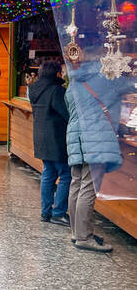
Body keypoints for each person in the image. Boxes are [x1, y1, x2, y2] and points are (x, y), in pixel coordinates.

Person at [65, 60, 130, 253]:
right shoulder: (104, 81)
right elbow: (129, 86)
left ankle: (77, 232)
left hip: (75, 137)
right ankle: (84, 236)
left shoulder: (74, 83)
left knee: (76, 184)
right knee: (88, 187)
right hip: (95, 138)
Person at [28, 62, 71, 226]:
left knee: (48, 174)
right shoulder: (56, 91)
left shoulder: (33, 89)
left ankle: (46, 212)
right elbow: (67, 113)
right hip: (57, 138)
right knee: (66, 174)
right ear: (56, 74)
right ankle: (59, 212)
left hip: (41, 137)